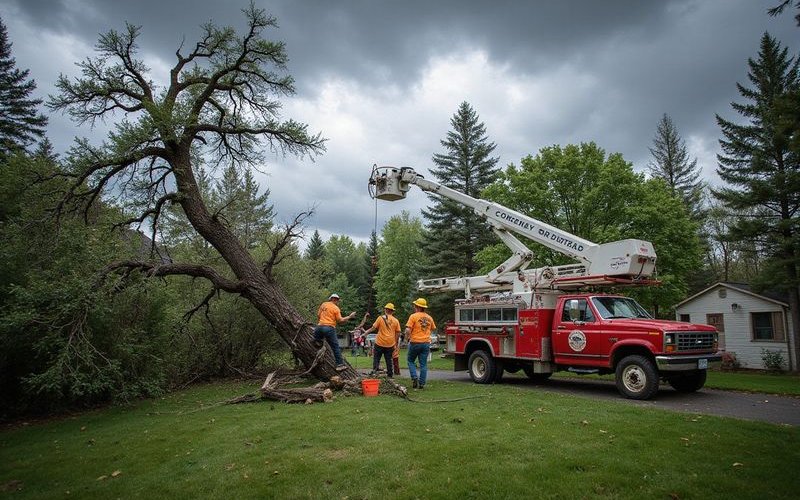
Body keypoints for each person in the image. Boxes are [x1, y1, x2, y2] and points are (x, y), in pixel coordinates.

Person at [313, 293, 356, 371]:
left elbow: (318, 315)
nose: (338, 302)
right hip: (329, 328)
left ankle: (317, 342)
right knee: (335, 347)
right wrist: (350, 316)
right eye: (337, 301)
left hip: (319, 328)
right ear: (334, 300)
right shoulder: (336, 308)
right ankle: (340, 365)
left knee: (317, 340)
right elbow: (340, 320)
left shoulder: (323, 304)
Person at [362, 303, 401, 378]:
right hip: (390, 344)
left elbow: (373, 328)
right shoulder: (396, 321)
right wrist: (395, 343)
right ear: (392, 311)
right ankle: (390, 375)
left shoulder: (380, 318)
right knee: (388, 360)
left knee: (376, 359)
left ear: (386, 310)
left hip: (379, 343)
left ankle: (375, 373)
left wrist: (365, 333)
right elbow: (398, 333)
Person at [405, 298, 436, 389]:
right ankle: (422, 383)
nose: (414, 307)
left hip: (415, 342)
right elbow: (433, 328)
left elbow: (407, 329)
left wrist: (407, 337)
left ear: (417, 306)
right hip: (426, 343)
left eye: (415, 305)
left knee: (410, 361)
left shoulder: (413, 316)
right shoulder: (429, 317)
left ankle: (414, 377)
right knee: (423, 364)